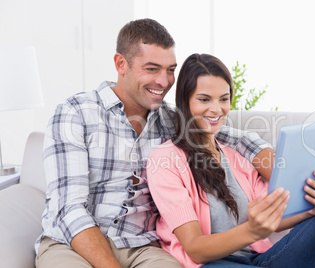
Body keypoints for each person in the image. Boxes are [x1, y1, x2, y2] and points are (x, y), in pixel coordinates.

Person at [35, 19, 276, 268]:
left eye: (170, 70)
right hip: (73, 244)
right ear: (121, 64)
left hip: (142, 247)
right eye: (152, 69)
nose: (164, 81)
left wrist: (273, 164)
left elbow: (225, 134)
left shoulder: (172, 119)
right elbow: (69, 209)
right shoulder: (75, 113)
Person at [147, 53, 315, 268]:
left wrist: (312, 209)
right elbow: (195, 248)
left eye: (224, 99)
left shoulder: (237, 158)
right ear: (185, 102)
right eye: (204, 99)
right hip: (212, 263)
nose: (216, 109)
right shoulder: (165, 159)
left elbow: (273, 217)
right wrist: (252, 231)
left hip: (260, 258)